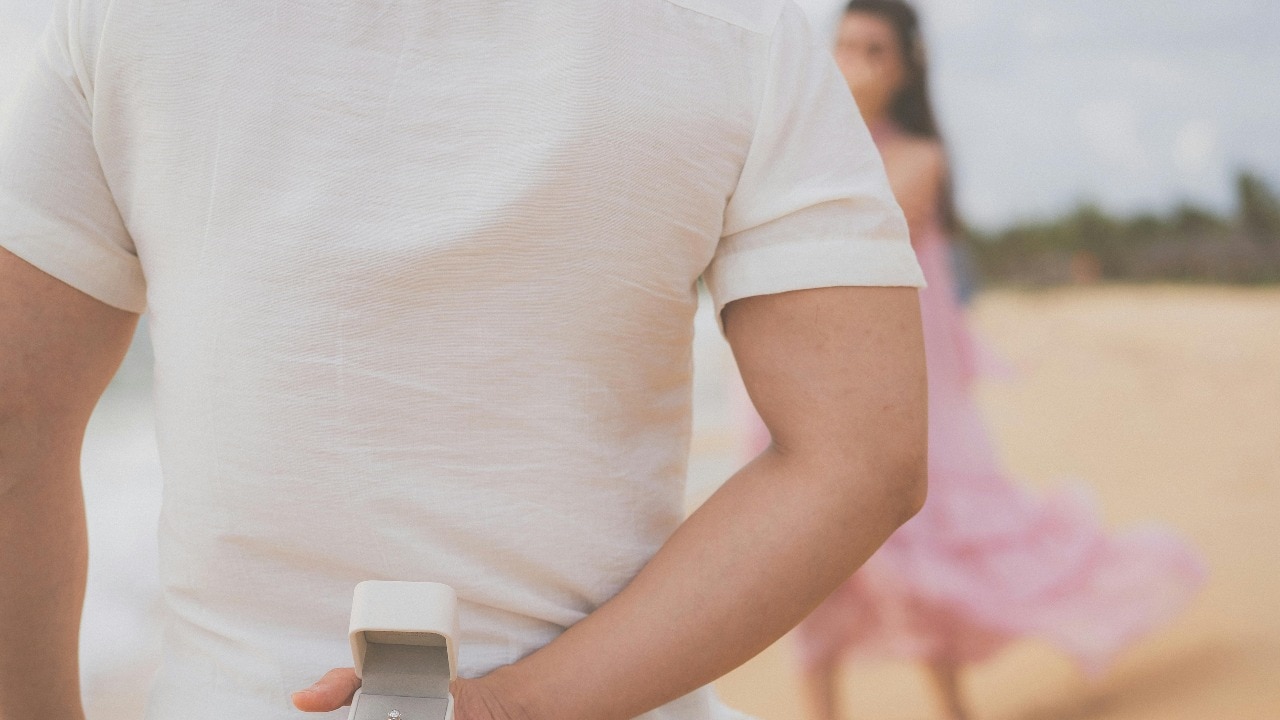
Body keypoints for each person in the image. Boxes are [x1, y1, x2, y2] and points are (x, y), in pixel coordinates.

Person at [0, 2, 932, 720]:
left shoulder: (128, 16)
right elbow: (862, 453)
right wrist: (512, 707)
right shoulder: (734, 25)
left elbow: (14, 419)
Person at [768, 3, 1207, 720]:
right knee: (805, 564)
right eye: (843, 45)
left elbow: (859, 225)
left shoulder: (918, 158)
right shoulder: (796, 146)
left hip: (899, 386)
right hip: (800, 379)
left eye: (875, 51)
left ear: (904, 70)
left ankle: (954, 710)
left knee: (922, 553)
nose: (855, 63)